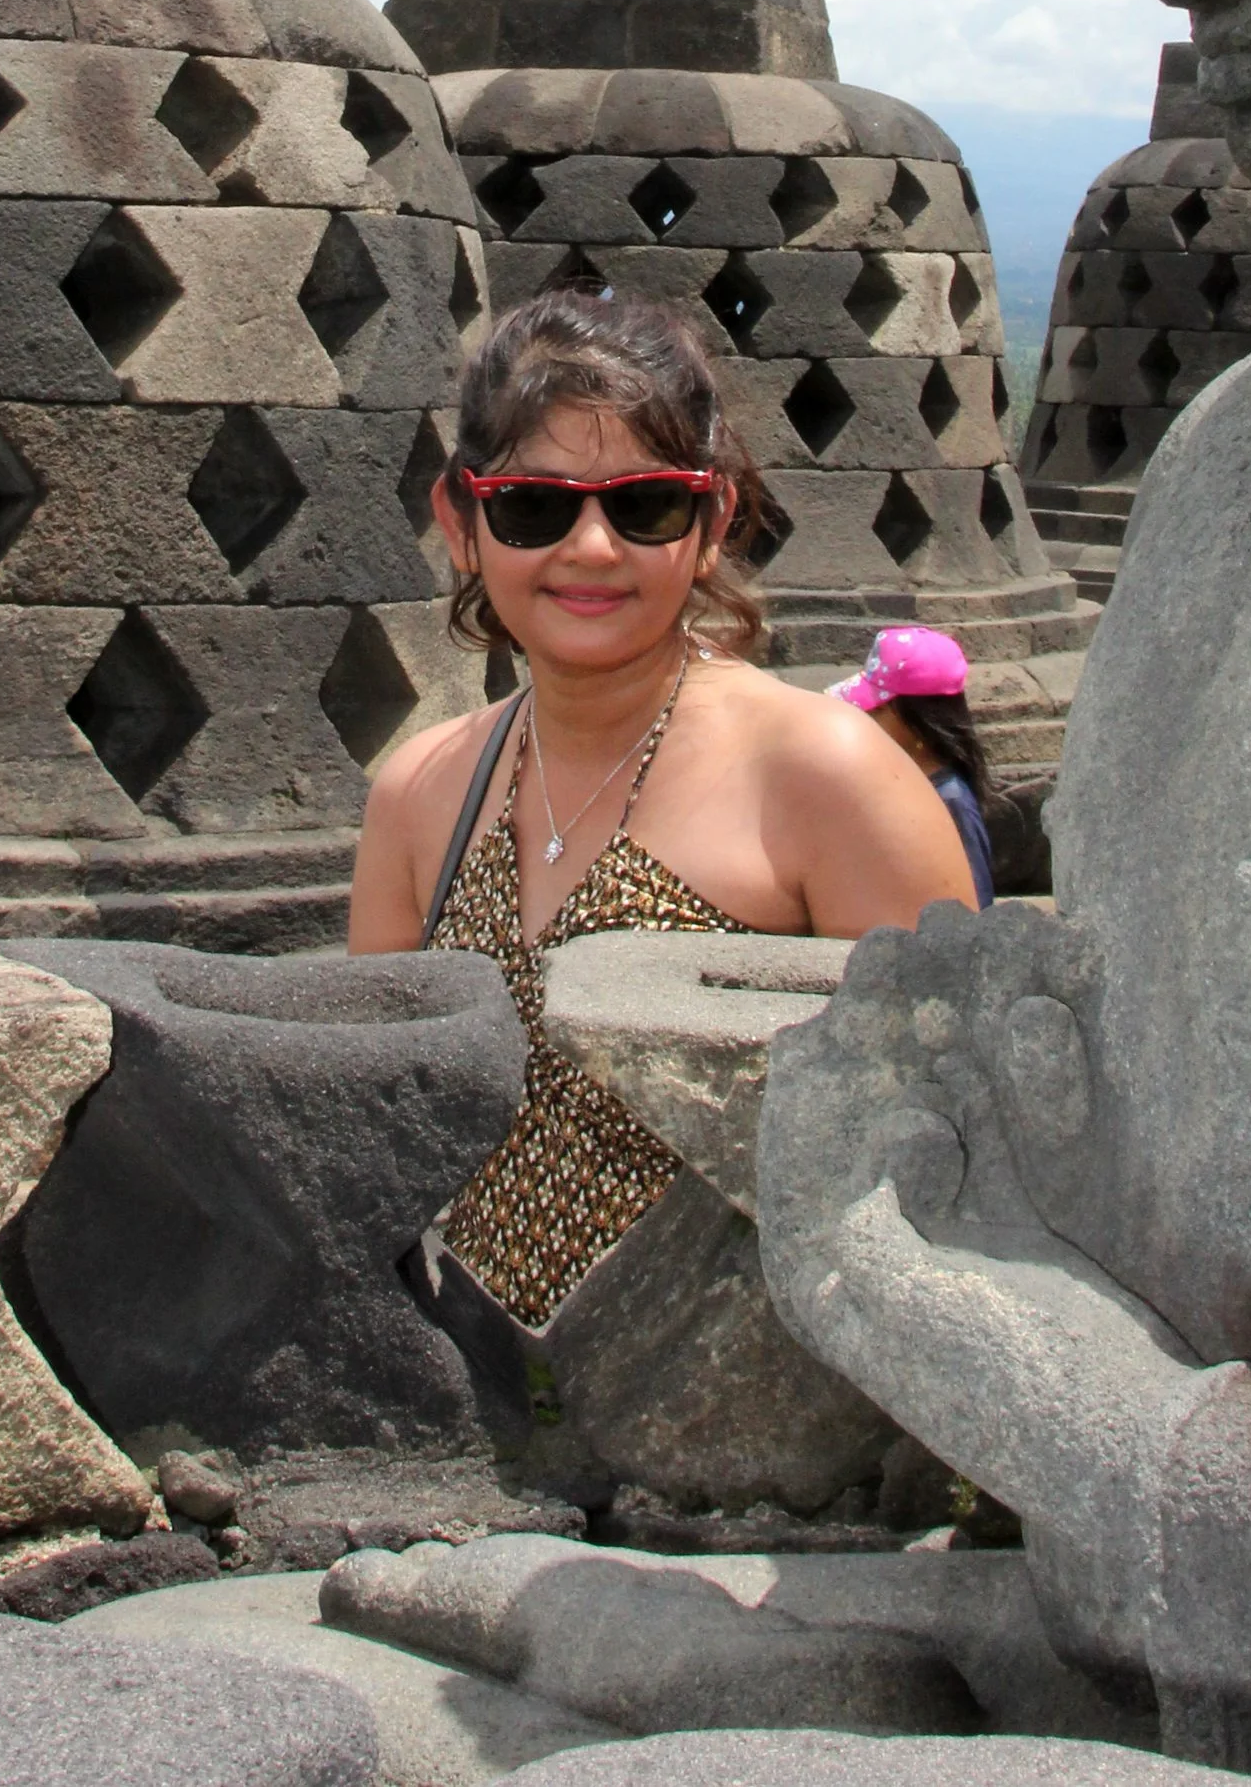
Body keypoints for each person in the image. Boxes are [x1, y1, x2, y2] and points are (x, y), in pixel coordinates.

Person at [349, 284, 978, 1328]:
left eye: (643, 505)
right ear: (461, 522)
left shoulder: (828, 777)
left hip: (746, 1433)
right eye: (534, 506)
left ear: (712, 517)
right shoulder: (420, 792)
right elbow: (377, 1130)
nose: (591, 548)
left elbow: (950, 1137)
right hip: (481, 1417)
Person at [831, 627, 995, 911]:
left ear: (918, 722)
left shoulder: (951, 801)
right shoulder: (898, 779)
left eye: (879, 710)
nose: (865, 716)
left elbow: (975, 909)